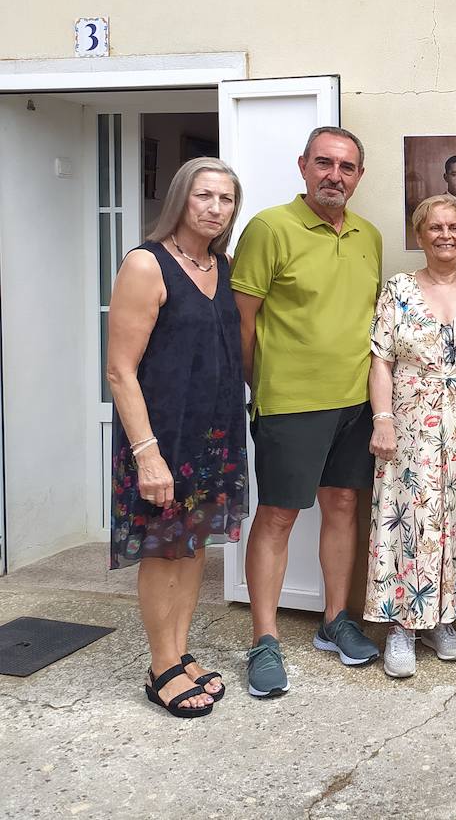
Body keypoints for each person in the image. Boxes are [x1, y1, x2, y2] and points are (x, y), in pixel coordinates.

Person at [231, 125, 383, 697]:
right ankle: (264, 640)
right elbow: (242, 321)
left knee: (343, 505)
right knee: (277, 516)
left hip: (355, 401)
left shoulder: (368, 235)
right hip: (290, 402)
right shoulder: (270, 228)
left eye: (346, 167)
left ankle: (334, 621)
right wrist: (259, 384)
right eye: (324, 163)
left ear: (359, 176)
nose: (334, 176)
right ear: (303, 166)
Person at [108, 158, 248, 717]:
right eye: (203, 196)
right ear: (180, 200)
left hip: (211, 435)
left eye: (226, 200)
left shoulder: (225, 265)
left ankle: (180, 651)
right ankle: (160, 666)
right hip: (161, 440)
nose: (215, 208)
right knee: (163, 553)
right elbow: (120, 369)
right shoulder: (146, 265)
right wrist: (147, 455)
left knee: (194, 550)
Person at [365, 194, 456, 678]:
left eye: (455, 227)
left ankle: (442, 618)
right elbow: (380, 360)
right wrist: (382, 418)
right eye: (435, 228)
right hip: (409, 424)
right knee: (408, 521)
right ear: (419, 234)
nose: (446, 235)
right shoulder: (399, 288)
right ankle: (401, 625)